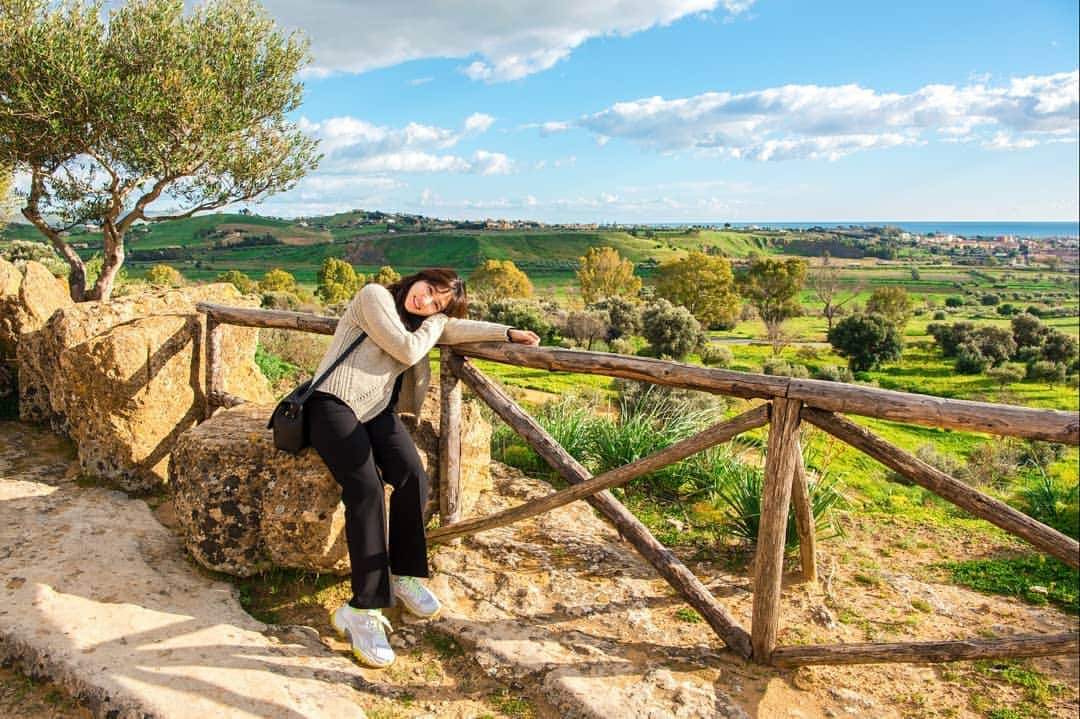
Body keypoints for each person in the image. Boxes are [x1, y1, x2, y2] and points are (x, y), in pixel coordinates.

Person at [305, 268, 539, 667]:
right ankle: (361, 611)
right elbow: (409, 349)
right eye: (429, 291)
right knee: (367, 488)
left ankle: (404, 573)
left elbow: (451, 329)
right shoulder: (374, 296)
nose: (426, 302)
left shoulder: (424, 322)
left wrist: (507, 332)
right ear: (416, 280)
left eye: (437, 302)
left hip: (376, 409)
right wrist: (438, 321)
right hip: (331, 404)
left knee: (413, 475)